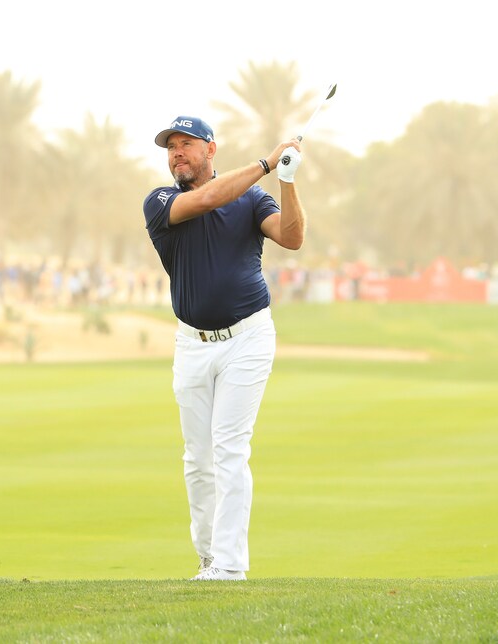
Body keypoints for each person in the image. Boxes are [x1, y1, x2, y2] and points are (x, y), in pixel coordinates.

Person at [142, 116, 305, 581]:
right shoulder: (160, 201)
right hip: (192, 344)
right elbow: (211, 198)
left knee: (229, 449)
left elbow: (292, 237)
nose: (176, 153)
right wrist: (267, 162)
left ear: (210, 150)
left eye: (186, 144)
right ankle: (210, 558)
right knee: (198, 459)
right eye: (171, 146)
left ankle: (230, 568)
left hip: (248, 338)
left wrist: (287, 179)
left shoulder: (253, 198)